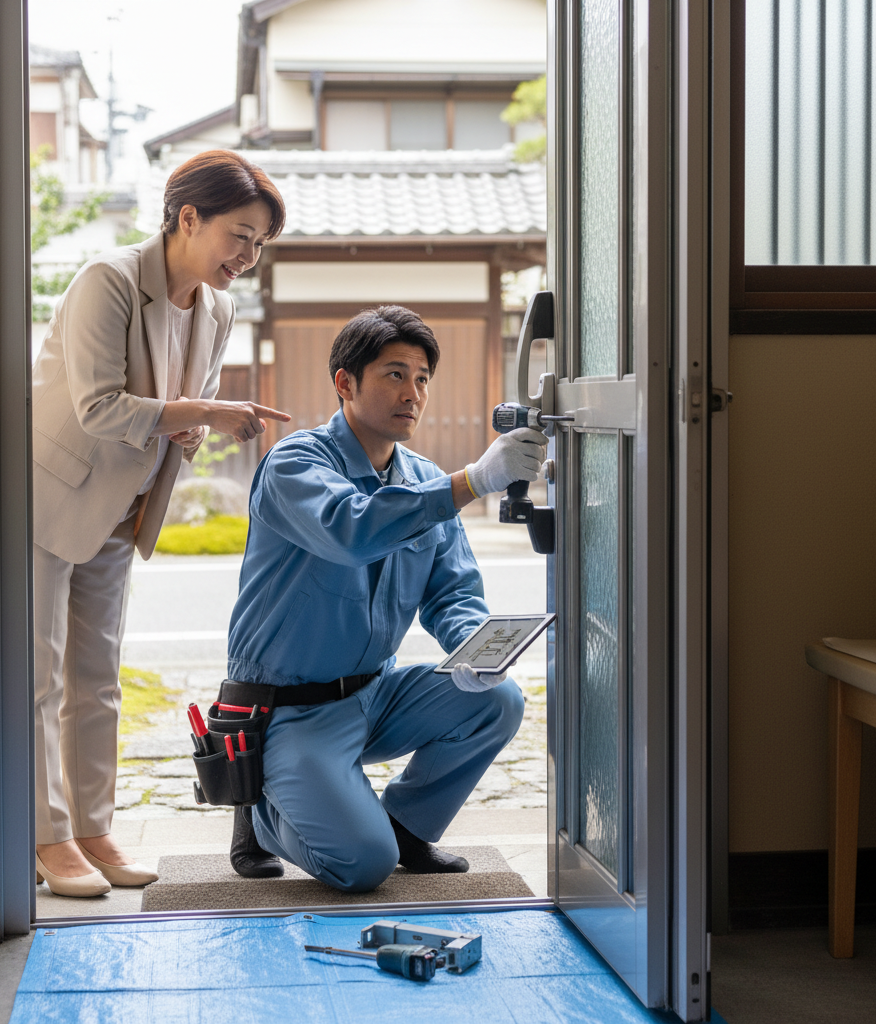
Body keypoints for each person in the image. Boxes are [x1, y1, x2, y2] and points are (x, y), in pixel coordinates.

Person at [32, 150, 290, 897]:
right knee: (42, 677)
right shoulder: (108, 281)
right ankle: (50, 841)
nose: (248, 256)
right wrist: (205, 413)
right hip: (53, 498)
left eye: (260, 245)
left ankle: (94, 827)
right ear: (187, 218)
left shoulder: (217, 308)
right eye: (240, 236)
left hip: (123, 506)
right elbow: (100, 408)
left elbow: (184, 413)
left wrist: (196, 426)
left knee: (97, 677)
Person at [223, 305, 547, 891]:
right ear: (345, 383)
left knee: (499, 700)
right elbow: (352, 530)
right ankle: (262, 812)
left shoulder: (422, 478)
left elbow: (453, 593)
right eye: (395, 374)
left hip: (375, 695)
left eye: (422, 378)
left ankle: (406, 827)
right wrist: (471, 480)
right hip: (290, 712)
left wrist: (476, 651)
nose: (413, 393)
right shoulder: (295, 462)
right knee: (361, 867)